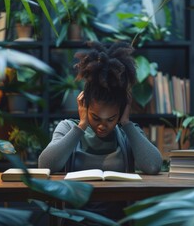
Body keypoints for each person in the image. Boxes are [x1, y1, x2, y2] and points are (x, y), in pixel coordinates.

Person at [38, 41, 163, 225]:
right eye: (96, 118)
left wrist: (126, 123)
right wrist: (81, 126)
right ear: (84, 106)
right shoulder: (67, 128)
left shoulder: (127, 132)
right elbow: (45, 164)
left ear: (120, 112)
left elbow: (153, 166)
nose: (102, 126)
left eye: (110, 119)